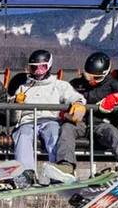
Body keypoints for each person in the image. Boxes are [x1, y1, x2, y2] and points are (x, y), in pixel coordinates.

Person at [8, 49, 83, 184]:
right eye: (34, 68)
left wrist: (77, 103)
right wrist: (16, 103)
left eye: (42, 67)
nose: (37, 71)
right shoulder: (23, 87)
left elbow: (73, 96)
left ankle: (57, 171)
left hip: (50, 119)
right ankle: (26, 172)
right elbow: (13, 112)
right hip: (28, 121)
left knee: (54, 134)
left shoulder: (58, 85)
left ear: (49, 66)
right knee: (23, 135)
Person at [67, 52, 118, 169]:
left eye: (97, 78)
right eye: (88, 76)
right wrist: (67, 110)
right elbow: (62, 96)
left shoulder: (112, 84)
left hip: (100, 123)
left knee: (113, 133)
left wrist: (116, 98)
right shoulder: (76, 84)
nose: (92, 80)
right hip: (79, 122)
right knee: (66, 129)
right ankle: (65, 166)